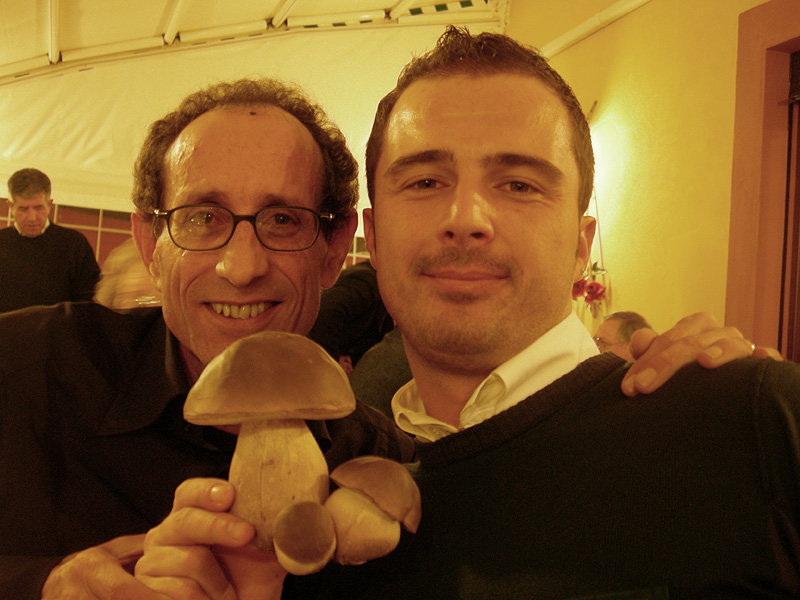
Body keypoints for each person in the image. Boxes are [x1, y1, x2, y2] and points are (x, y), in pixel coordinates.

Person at [133, 31, 790, 600]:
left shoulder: (749, 421)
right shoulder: (337, 519)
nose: (467, 218)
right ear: (372, 236)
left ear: (581, 245)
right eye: (425, 181)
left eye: (519, 184)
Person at [0, 78, 417, 600]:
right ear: (150, 246)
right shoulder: (26, 368)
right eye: (201, 218)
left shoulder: (380, 461)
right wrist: (46, 585)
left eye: (282, 220)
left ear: (333, 250)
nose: (241, 267)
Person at [0, 168, 100, 312]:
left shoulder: (74, 244)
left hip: (60, 327)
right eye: (23, 209)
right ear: (10, 206)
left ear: (49, 204)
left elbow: (88, 303)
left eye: (38, 208)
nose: (32, 217)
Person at [308, 259, 394, 374]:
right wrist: (332, 365)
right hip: (310, 362)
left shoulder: (380, 287)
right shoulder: (364, 281)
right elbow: (325, 314)